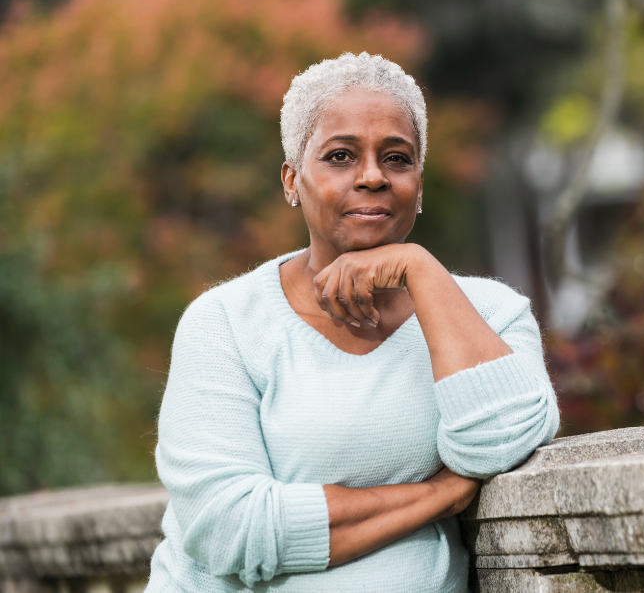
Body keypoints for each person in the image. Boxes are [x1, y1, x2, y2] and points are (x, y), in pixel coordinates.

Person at [145, 52, 560, 592]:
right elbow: (229, 528)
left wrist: (419, 269)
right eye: (340, 156)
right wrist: (440, 494)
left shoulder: (491, 313)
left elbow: (500, 442)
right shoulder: (225, 323)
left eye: (397, 158)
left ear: (419, 181)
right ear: (293, 181)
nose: (372, 177)